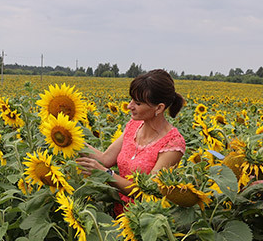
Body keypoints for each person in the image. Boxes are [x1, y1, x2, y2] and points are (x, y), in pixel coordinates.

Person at [76, 69, 186, 213]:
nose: (129, 106)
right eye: (131, 100)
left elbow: (149, 192)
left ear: (159, 108)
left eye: (138, 103)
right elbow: (106, 158)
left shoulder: (173, 144)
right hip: (117, 215)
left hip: (144, 221)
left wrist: (106, 174)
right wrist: (72, 140)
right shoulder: (133, 126)